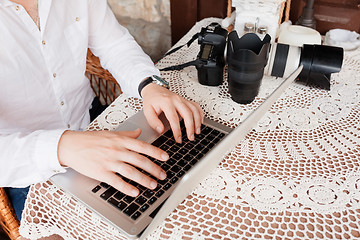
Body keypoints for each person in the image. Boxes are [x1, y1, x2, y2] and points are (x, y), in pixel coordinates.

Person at [0, 0, 203, 221]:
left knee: (182, 183)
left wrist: (149, 84)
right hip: (30, 166)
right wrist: (61, 147)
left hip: (91, 118)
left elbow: (114, 44)